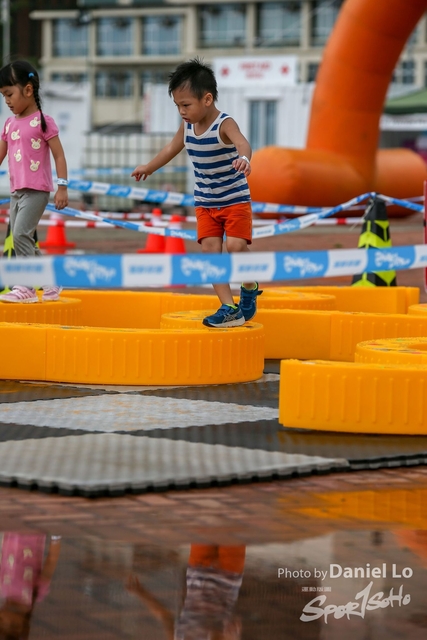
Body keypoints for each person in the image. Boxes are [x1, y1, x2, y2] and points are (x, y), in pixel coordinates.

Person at [132, 58, 262, 328]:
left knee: (236, 247)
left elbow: (243, 143)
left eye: (186, 105)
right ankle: (228, 307)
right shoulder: (187, 126)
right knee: (210, 250)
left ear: (207, 99)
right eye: (177, 106)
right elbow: (171, 148)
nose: (182, 111)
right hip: (205, 202)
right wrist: (149, 167)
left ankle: (249, 285)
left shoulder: (224, 124)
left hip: (235, 200)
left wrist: (244, 159)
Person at [0, 60, 68, 304]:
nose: (6, 101)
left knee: (20, 234)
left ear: (28, 90)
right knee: (25, 238)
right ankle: (50, 280)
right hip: (17, 192)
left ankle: (27, 286)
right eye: (3, 96)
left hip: (37, 191)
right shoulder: (9, 124)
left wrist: (62, 187)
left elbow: (59, 155)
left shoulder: (43, 121)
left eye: (9, 94)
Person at [127, 544, 245, 640]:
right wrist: (232, 635)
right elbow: (223, 632)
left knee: (205, 527)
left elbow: (164, 616)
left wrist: (140, 592)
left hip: (198, 568)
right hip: (227, 576)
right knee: (232, 531)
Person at [0, 532, 61, 640]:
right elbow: (51, 560)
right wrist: (56, 536)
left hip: (11, 529)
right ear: (24, 624)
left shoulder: (3, 589)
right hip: (32, 531)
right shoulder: (35, 593)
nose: (5, 619)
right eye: (14, 626)